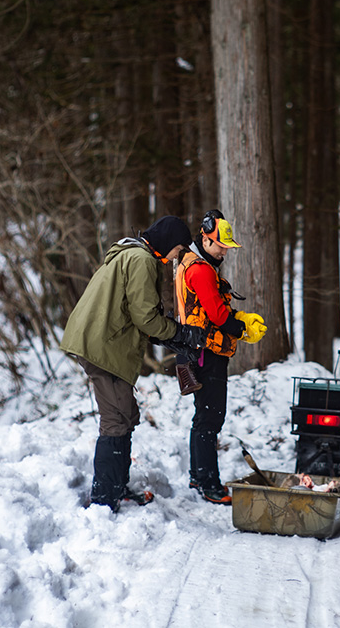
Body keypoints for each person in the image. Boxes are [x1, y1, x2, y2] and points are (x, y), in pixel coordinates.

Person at [60, 216, 206, 512]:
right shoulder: (141, 260)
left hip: (104, 341)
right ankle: (103, 499)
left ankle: (117, 486)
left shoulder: (133, 253)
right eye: (178, 249)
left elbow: (135, 315)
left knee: (126, 414)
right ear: (168, 242)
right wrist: (181, 332)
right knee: (116, 420)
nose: (177, 257)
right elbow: (147, 318)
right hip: (101, 346)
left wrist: (170, 338)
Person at [174, 209, 267, 504]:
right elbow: (215, 313)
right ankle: (209, 484)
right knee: (211, 417)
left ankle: (198, 475)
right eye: (220, 245)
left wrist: (237, 317)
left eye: (227, 246)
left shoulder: (193, 263)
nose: (224, 251)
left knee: (204, 417)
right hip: (206, 352)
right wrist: (241, 328)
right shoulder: (200, 269)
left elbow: (210, 308)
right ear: (205, 237)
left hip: (196, 348)